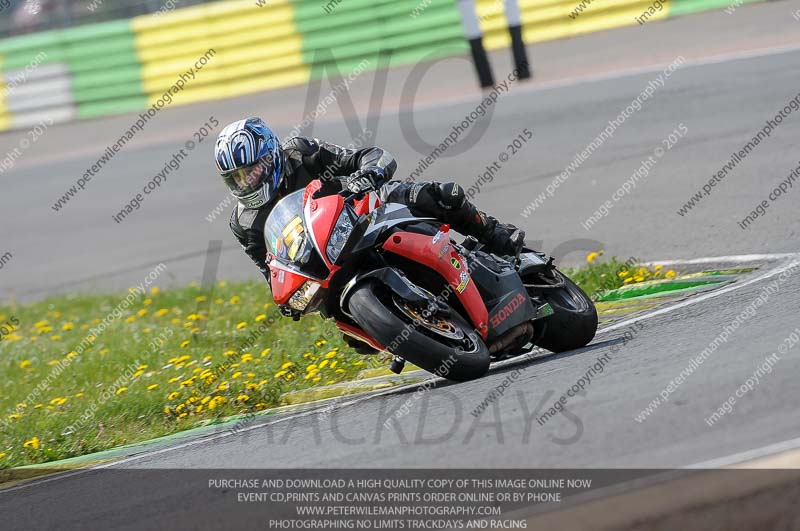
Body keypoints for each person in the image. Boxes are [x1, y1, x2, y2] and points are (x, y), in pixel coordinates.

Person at [215, 117, 524, 330]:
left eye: (251, 171)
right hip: (322, 266)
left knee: (441, 196)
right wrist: (286, 300)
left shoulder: (300, 152)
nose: (245, 182)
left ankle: (496, 235)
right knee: (352, 336)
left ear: (270, 156)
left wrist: (369, 173)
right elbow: (270, 270)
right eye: (236, 178)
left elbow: (365, 156)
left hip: (361, 211)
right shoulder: (244, 223)